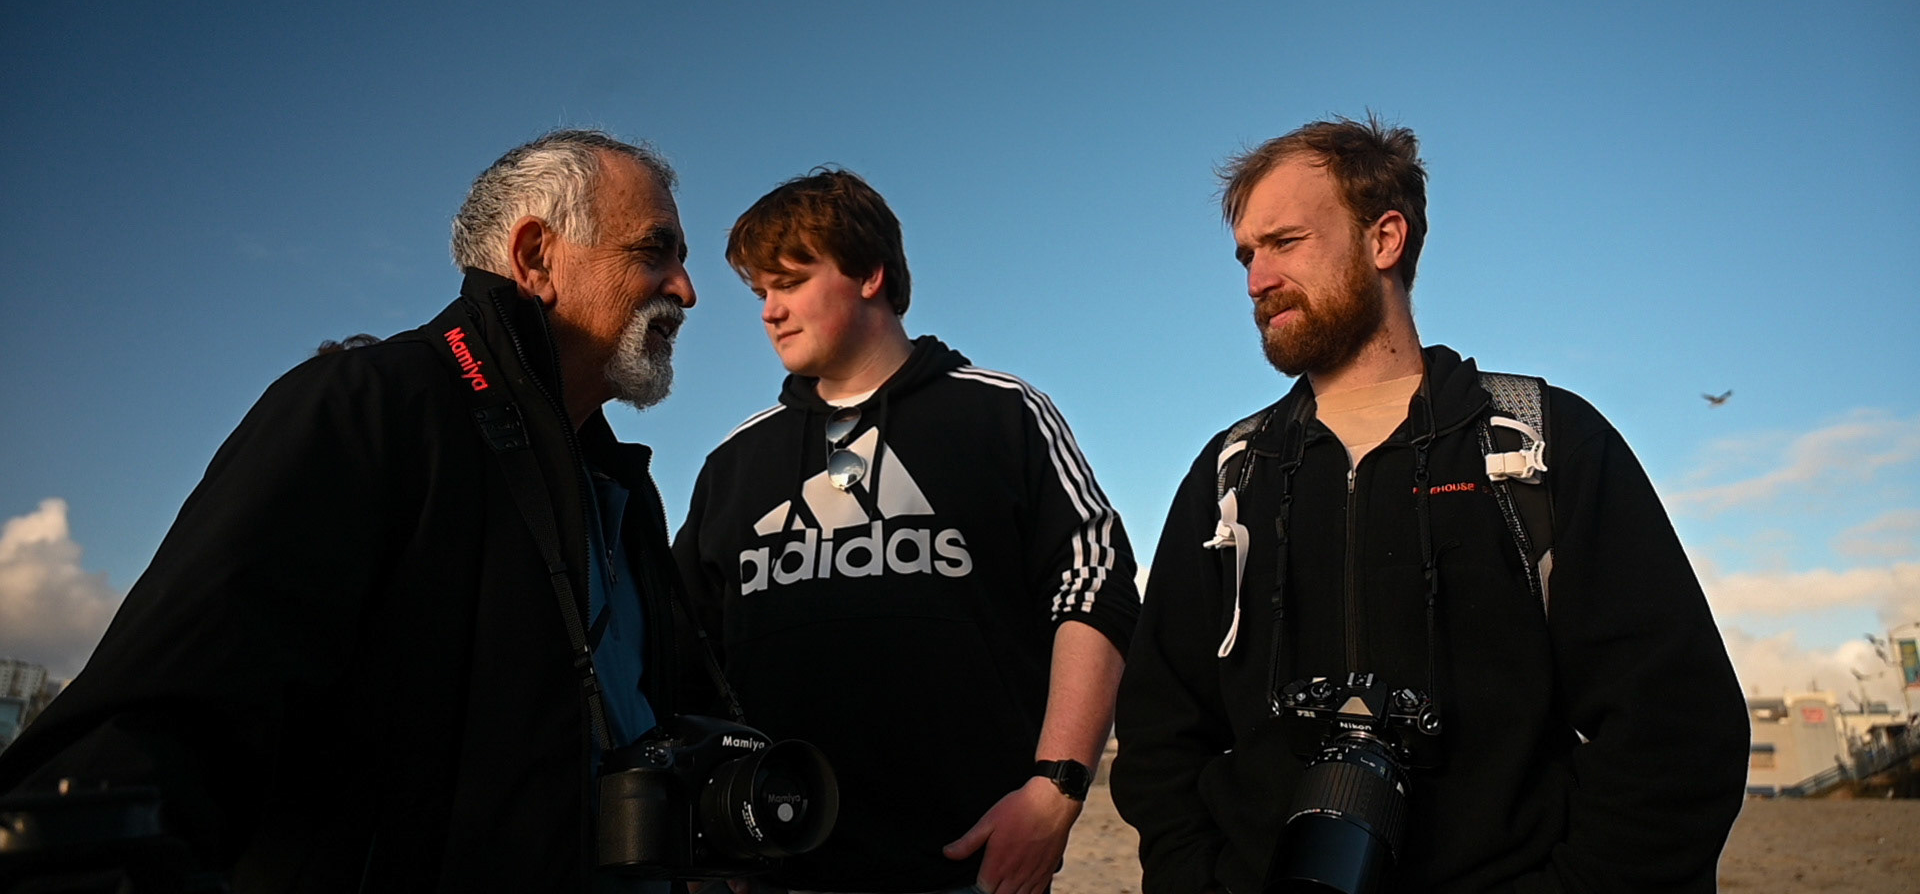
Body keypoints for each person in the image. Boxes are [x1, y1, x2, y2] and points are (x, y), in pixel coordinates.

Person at [0, 129, 699, 890]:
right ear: (536, 258)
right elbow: (167, 724)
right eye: (653, 251)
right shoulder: (368, 407)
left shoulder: (628, 492)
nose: (686, 290)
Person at [1111, 116, 1749, 893]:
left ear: (1386, 239)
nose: (1256, 279)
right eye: (1246, 254)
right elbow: (1158, 736)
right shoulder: (1230, 478)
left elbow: (1676, 728)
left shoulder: (1538, 446)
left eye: (1285, 242)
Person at [673, 168, 1139, 894]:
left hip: (971, 864)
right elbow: (682, 658)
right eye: (760, 292)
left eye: (790, 282)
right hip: (778, 871)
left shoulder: (1002, 415)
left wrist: (1055, 791)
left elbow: (1096, 583)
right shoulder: (734, 465)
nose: (769, 311)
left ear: (869, 274)